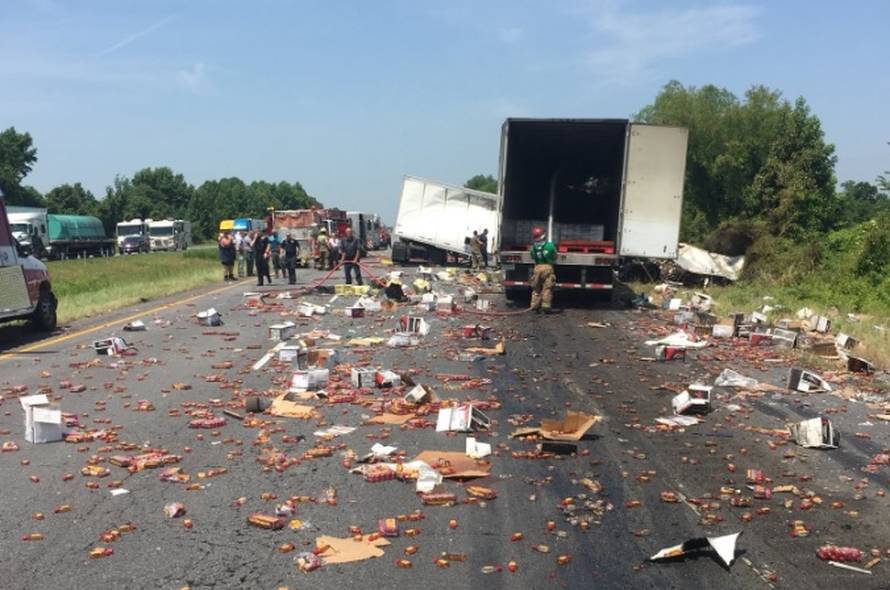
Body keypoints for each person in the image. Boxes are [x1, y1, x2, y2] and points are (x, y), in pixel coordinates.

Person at [529, 226, 557, 313]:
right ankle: (546, 306)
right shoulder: (550, 246)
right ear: (543, 235)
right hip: (548, 268)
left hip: (537, 267)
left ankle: (535, 306)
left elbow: (532, 257)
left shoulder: (533, 248)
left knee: (536, 288)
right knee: (547, 288)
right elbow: (555, 256)